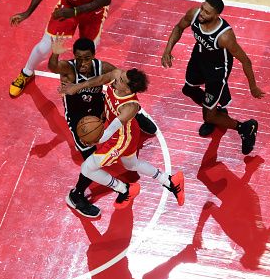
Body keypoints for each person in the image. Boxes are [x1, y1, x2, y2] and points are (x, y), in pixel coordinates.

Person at [48, 37, 158, 217]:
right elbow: (53, 67)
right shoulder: (69, 69)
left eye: (87, 58)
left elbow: (124, 80)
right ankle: (76, 195)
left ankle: (135, 113)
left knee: (117, 99)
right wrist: (55, 53)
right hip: (80, 119)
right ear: (74, 56)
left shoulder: (103, 67)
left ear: (94, 55)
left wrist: (131, 105)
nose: (82, 63)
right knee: (90, 161)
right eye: (79, 58)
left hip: (100, 108)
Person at [60, 68, 184, 217]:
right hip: (129, 132)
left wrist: (91, 140)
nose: (116, 79)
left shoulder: (129, 107)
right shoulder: (118, 76)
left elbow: (108, 133)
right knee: (131, 165)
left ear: (128, 89)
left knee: (87, 168)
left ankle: (124, 189)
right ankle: (169, 181)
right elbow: (99, 80)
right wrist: (77, 87)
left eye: (121, 81)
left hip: (120, 139)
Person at [161, 0, 265, 154]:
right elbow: (178, 27)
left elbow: (246, 61)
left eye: (207, 12)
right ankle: (215, 110)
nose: (201, 13)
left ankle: (245, 127)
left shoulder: (225, 36)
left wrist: (253, 86)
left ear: (216, 16)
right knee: (188, 90)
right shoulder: (194, 14)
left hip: (216, 71)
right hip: (198, 59)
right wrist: (167, 50)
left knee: (209, 117)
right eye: (202, 8)